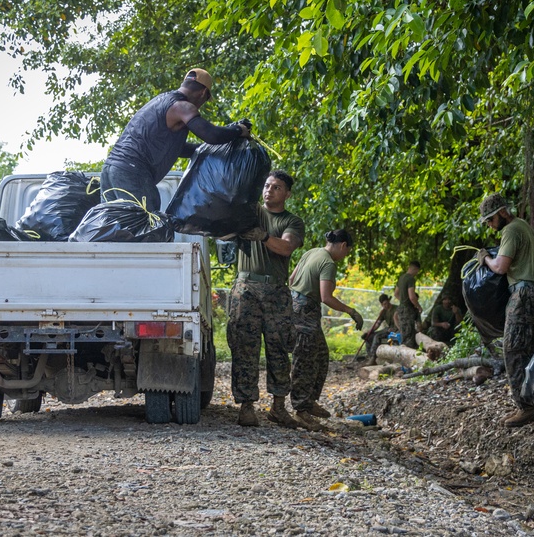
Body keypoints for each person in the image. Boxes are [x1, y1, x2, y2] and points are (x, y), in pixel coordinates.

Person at [100, 68, 251, 209]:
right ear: (203, 93)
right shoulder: (182, 106)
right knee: (146, 227)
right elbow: (211, 134)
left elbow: (180, 148)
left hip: (110, 170)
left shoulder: (160, 101)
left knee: (115, 227)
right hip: (132, 172)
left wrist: (206, 149)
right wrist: (238, 130)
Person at [226, 170, 304, 428]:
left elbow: (286, 247)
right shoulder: (250, 212)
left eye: (277, 187)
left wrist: (263, 236)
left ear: (287, 194)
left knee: (279, 348)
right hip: (245, 288)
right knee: (244, 347)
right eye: (267, 185)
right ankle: (247, 408)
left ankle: (278, 407)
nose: (269, 190)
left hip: (276, 293)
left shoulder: (292, 221)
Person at [477, 193, 534, 428]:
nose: (489, 225)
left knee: (513, 350)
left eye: (490, 219)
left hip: (523, 294)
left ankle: (526, 408)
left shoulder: (511, 230)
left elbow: (500, 266)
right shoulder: (523, 226)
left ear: (502, 213)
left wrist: (485, 258)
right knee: (529, 349)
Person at [288, 229, 364, 430]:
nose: (345, 255)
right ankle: (300, 410)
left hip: (300, 307)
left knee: (321, 355)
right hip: (305, 311)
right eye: (347, 252)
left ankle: (309, 401)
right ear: (343, 245)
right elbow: (326, 297)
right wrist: (350, 311)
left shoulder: (312, 252)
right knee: (304, 360)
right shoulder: (328, 263)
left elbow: (291, 279)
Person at [363, 294, 398, 366]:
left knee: (377, 336)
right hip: (388, 329)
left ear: (388, 301)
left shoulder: (396, 309)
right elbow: (377, 324)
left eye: (385, 303)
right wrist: (370, 331)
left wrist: (395, 329)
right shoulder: (383, 312)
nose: (384, 306)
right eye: (382, 304)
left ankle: (373, 358)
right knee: (369, 337)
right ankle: (370, 357)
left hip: (395, 330)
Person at [394, 261, 423, 348]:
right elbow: (412, 297)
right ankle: (407, 358)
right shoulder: (410, 279)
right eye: (417, 272)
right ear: (415, 269)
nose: (416, 274)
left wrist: (403, 301)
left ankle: (402, 356)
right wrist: (419, 306)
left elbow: (396, 294)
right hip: (408, 310)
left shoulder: (401, 278)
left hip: (401, 309)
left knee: (404, 334)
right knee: (409, 337)